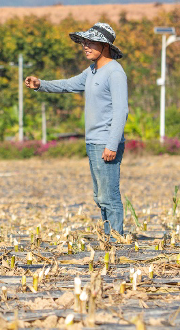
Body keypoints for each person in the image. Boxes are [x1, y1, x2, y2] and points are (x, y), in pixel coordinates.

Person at [25, 22, 129, 236]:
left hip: (105, 143)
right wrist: (40, 84)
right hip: (92, 142)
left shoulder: (114, 73)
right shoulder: (92, 71)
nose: (85, 46)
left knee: (109, 195)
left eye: (91, 42)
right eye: (84, 42)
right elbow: (68, 84)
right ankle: (109, 237)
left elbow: (121, 111)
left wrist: (111, 145)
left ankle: (117, 240)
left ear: (105, 45)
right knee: (100, 196)